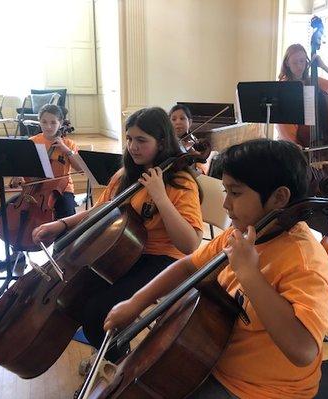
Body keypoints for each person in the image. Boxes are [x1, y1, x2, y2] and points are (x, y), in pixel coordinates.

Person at [104, 139, 328, 399]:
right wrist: (136, 302)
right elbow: (187, 266)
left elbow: (302, 350)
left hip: (263, 389)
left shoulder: (305, 263)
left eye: (235, 193)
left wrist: (249, 274)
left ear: (279, 198)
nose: (226, 205)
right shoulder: (243, 233)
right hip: (209, 356)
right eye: (226, 191)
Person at [32, 107, 204, 363]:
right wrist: (63, 225)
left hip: (163, 259)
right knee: (80, 296)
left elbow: (190, 244)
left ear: (162, 142)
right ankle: (110, 354)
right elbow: (102, 209)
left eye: (141, 140)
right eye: (130, 139)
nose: (133, 147)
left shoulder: (180, 182)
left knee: (99, 313)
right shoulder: (126, 174)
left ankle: (116, 366)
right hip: (122, 252)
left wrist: (159, 194)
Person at [0, 104, 80, 271]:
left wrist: (65, 149)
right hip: (33, 189)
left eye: (53, 122)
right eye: (44, 122)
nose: (48, 126)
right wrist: (18, 176)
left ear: (60, 123)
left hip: (61, 190)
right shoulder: (32, 142)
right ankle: (17, 254)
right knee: (4, 214)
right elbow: (22, 167)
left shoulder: (69, 143)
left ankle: (61, 258)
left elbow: (80, 169)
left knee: (67, 217)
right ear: (39, 122)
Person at [277, 43, 328, 144]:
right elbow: (282, 126)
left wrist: (323, 66)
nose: (299, 66)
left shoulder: (313, 81)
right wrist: (293, 147)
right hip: (288, 144)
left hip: (312, 141)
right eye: (294, 62)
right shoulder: (283, 86)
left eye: (302, 61)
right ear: (287, 63)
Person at [169, 104, 218, 175]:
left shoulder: (192, 143)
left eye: (182, 118)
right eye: (173, 119)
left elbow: (200, 162)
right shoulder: (168, 142)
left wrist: (194, 155)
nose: (178, 122)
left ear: (190, 122)